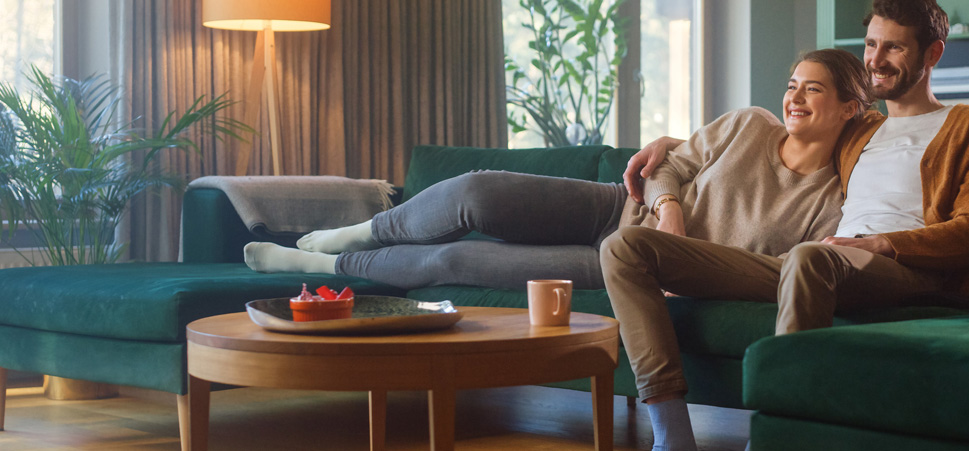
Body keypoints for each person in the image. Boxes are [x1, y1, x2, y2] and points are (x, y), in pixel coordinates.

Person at [602, 0, 969, 449]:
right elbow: (792, 132)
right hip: (815, 262)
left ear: (932, 54)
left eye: (893, 48)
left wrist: (881, 244)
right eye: (871, 44)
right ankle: (672, 433)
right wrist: (674, 145)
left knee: (811, 256)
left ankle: (779, 437)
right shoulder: (862, 128)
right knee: (625, 247)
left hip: (909, 270)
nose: (875, 60)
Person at [243, 48, 873, 292]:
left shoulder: (833, 200)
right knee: (476, 192)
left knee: (457, 265)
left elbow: (786, 267)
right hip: (615, 209)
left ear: (850, 107)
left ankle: (326, 267)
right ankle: (361, 232)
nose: (794, 97)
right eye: (792, 83)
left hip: (631, 262)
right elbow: (669, 166)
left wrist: (677, 253)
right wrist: (670, 206)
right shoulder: (749, 124)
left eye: (813, 90)